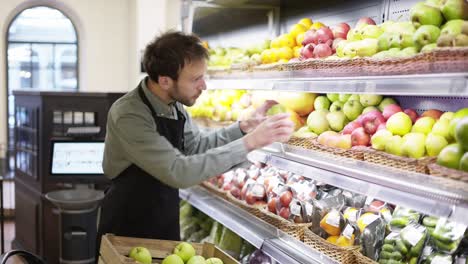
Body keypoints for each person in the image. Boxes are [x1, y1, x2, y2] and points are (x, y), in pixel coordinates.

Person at [95, 31, 294, 257]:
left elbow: (196, 146)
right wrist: (250, 142)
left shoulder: (174, 105)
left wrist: (243, 128)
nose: (204, 86)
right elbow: (178, 171)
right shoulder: (129, 115)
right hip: (128, 224)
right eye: (195, 79)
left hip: (163, 217)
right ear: (165, 80)